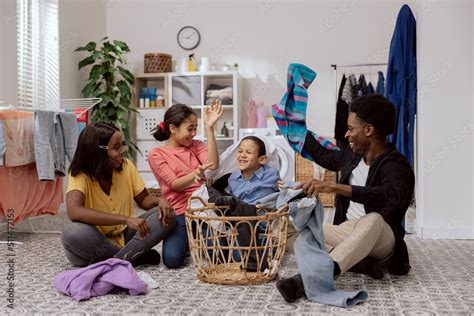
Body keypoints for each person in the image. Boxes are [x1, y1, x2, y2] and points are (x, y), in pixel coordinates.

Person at [276, 94, 415, 302]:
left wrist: (335, 187)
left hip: (382, 238)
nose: (346, 134)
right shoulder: (352, 156)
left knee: (373, 220)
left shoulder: (396, 166)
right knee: (284, 227)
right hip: (346, 231)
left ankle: (310, 280)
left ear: (368, 130)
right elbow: (322, 155)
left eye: (351, 129)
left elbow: (390, 196)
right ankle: (358, 262)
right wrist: (295, 124)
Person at [61, 122, 175, 267]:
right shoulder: (80, 173)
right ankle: (131, 257)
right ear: (98, 151)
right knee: (72, 232)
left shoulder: (126, 166)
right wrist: (125, 219)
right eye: (116, 148)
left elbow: (144, 200)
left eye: (122, 145)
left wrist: (160, 201)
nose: (123, 151)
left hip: (123, 237)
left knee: (169, 215)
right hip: (91, 242)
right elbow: (74, 211)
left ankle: (117, 260)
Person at [148, 101, 223, 268]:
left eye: (196, 128)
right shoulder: (156, 154)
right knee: (172, 260)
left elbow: (213, 164)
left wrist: (210, 129)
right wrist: (195, 174)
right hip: (179, 212)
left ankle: (196, 235)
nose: (194, 133)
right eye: (190, 129)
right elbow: (175, 185)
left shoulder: (195, 145)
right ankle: (190, 239)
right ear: (173, 128)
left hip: (202, 208)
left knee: (219, 257)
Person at [228, 136, 280, 204]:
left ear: (262, 159)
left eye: (249, 152)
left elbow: (285, 191)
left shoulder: (272, 175)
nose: (242, 155)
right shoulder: (233, 178)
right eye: (240, 151)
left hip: (266, 212)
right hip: (243, 213)